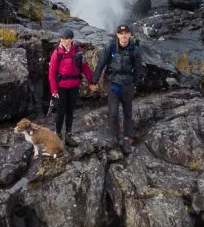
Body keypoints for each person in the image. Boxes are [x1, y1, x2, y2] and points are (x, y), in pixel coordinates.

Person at [93, 23, 143, 153]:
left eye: (126, 33)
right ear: (117, 35)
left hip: (127, 84)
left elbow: (138, 69)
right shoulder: (110, 46)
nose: (124, 36)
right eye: (121, 34)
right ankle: (114, 138)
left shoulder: (134, 50)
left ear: (130, 34)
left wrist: (135, 84)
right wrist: (94, 81)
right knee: (113, 112)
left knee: (127, 112)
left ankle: (126, 139)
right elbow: (101, 64)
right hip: (113, 84)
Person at [48, 29, 93, 146]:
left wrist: (92, 82)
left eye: (66, 38)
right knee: (60, 111)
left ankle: (68, 135)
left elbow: (86, 68)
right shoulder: (57, 53)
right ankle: (57, 134)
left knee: (70, 111)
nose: (63, 41)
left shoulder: (79, 52)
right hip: (61, 87)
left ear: (71, 39)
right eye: (62, 38)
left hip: (74, 86)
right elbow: (51, 73)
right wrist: (54, 90)